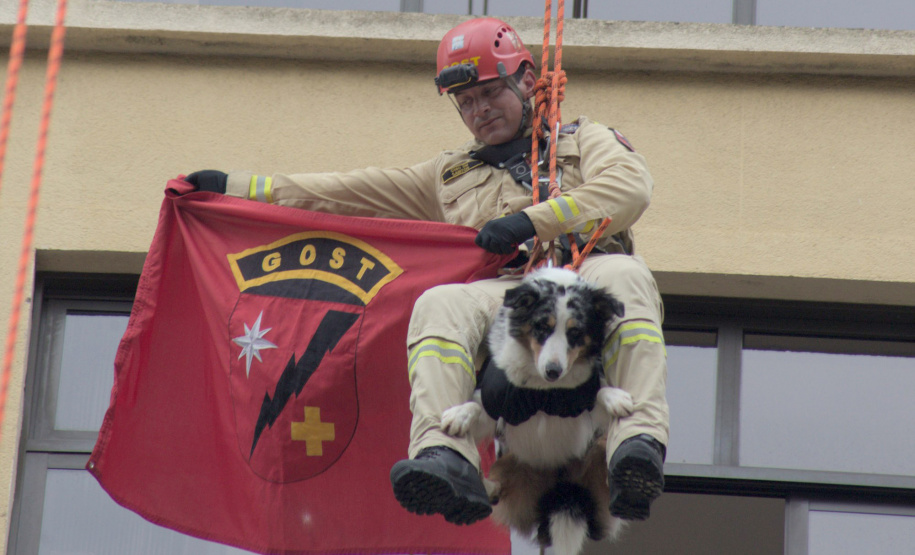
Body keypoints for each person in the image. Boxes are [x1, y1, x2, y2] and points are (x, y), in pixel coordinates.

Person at [186, 17, 668, 526]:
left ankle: (636, 442)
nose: (479, 111)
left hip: (585, 277)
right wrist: (236, 187)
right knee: (438, 303)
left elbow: (630, 189)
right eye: (466, 103)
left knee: (625, 275)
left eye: (488, 93)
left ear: (527, 80)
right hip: (508, 299)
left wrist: (529, 221)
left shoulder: (582, 138)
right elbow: (344, 192)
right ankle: (445, 456)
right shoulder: (447, 175)